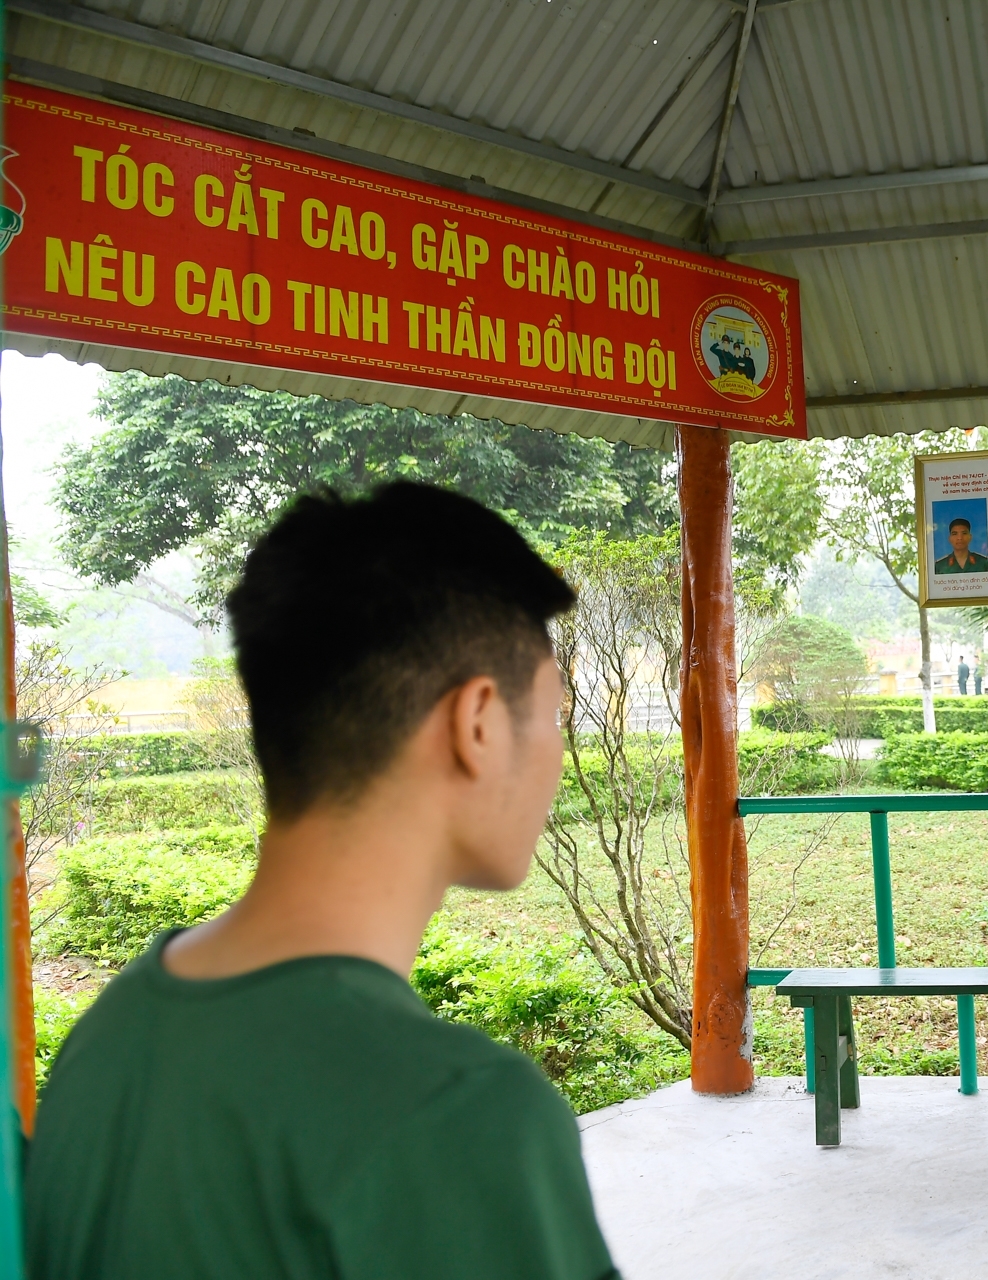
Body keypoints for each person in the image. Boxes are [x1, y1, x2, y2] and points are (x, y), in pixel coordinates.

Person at [27, 482, 618, 1280]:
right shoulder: (455, 1108)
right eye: (551, 717)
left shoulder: (112, 1031)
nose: (557, 757)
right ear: (477, 723)